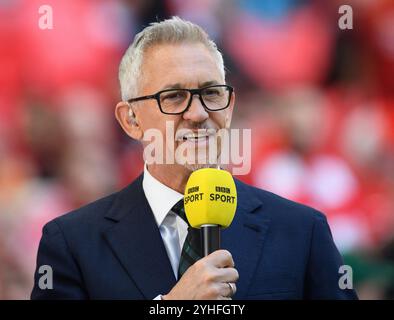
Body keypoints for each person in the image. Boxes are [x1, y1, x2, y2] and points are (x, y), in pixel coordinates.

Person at [31, 17, 357, 300]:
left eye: (212, 93)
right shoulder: (72, 244)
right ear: (131, 119)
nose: (199, 113)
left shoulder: (301, 231)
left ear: (229, 108)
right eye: (173, 97)